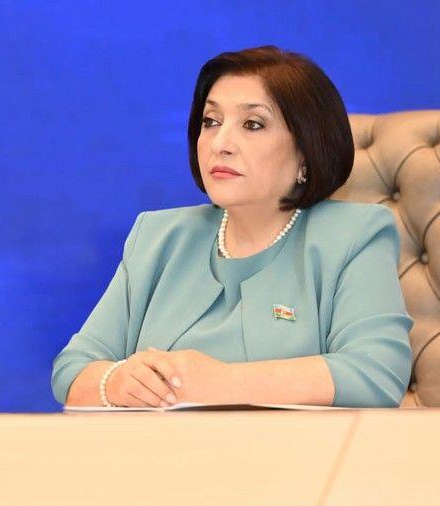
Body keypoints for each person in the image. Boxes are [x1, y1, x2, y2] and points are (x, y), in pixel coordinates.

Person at [51, 45, 414, 409]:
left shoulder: (354, 235)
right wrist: (115, 382)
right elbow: (72, 369)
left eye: (252, 124)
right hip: (158, 445)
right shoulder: (158, 236)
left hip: (297, 447)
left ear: (306, 152)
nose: (220, 144)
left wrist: (218, 382)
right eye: (211, 122)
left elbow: (375, 373)